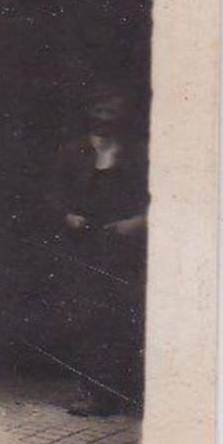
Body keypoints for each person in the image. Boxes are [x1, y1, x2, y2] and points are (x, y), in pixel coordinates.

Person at [47, 87, 149, 418]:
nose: (105, 118)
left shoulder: (137, 154)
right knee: (86, 317)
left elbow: (160, 198)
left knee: (120, 318)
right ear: (90, 111)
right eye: (100, 110)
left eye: (112, 112)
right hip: (84, 247)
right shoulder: (72, 152)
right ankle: (92, 392)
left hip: (123, 249)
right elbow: (51, 195)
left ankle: (120, 394)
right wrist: (67, 215)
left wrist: (135, 223)